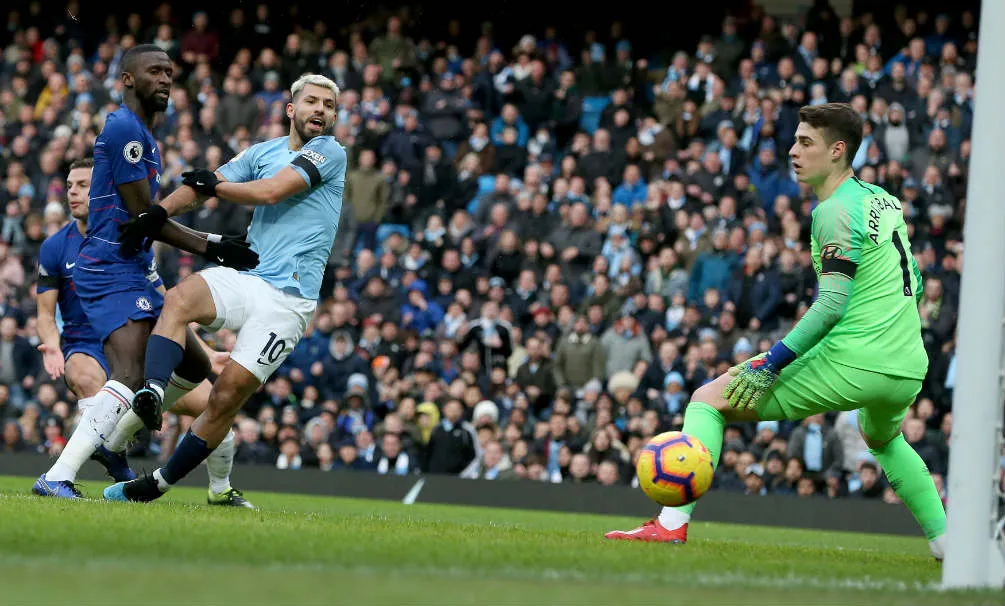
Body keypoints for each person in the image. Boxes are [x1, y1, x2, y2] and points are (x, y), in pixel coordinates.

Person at [605, 103, 946, 560]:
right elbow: (916, 283)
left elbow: (829, 306)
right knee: (883, 438)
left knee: (708, 401)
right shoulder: (882, 199)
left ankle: (671, 524)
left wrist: (772, 361)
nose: (793, 151)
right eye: (795, 140)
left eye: (806, 143)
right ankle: (948, 544)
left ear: (838, 151)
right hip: (907, 363)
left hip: (855, 360)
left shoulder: (834, 211)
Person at [102, 73, 346, 503]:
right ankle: (152, 393)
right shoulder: (261, 152)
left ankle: (157, 485)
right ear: (292, 109)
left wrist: (215, 186)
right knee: (179, 299)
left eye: (329, 105)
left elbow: (271, 192)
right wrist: (154, 215)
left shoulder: (329, 152)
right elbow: (198, 187)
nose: (321, 111)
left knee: (226, 398)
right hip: (250, 275)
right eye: (313, 102)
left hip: (289, 300)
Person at [31, 157, 253, 507]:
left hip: (140, 337)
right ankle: (76, 468)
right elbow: (45, 312)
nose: (73, 193)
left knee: (215, 404)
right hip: (86, 345)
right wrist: (53, 346)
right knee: (93, 378)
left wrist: (206, 353)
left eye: (83, 185)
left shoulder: (131, 234)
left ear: (103, 190)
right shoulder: (55, 247)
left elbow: (167, 304)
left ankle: (220, 488)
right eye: (70, 186)